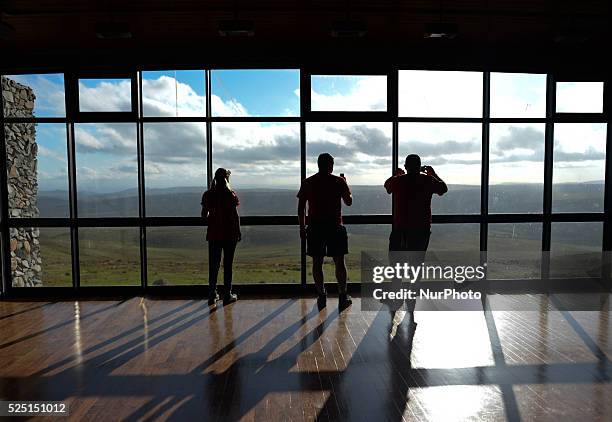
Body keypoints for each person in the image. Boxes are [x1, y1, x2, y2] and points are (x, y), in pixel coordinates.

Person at [383, 154, 448, 322]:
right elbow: (443, 189)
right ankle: (411, 300)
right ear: (420, 167)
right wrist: (432, 174)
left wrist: (397, 174)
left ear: (405, 166)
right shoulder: (427, 181)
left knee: (397, 267)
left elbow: (387, 186)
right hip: (421, 231)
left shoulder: (399, 181)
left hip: (400, 231)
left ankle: (396, 299)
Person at [298, 153, 353, 309]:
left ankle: (321, 294)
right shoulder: (338, 181)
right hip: (335, 226)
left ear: (318, 164)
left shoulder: (308, 182)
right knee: (339, 262)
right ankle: (342, 295)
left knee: (317, 262)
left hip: (315, 227)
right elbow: (349, 202)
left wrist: (302, 227)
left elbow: (301, 208)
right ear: (331, 165)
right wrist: (347, 185)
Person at [201, 168, 241, 305]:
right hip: (230, 234)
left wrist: (213, 217)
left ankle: (212, 294)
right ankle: (227, 294)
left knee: (214, 265)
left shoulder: (208, 195)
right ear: (226, 179)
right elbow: (235, 216)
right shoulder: (230, 194)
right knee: (228, 265)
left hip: (213, 234)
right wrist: (238, 231)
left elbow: (203, 214)